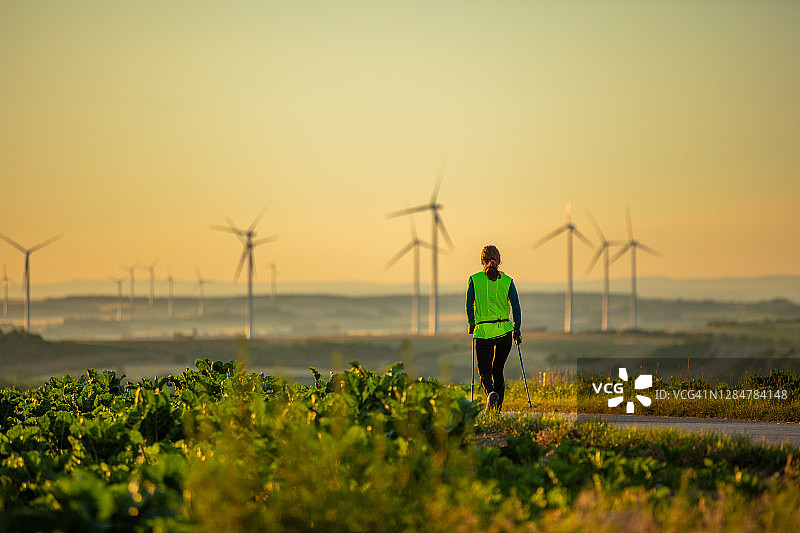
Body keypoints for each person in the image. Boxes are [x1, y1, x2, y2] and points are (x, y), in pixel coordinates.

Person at [466, 245, 522, 411]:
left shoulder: (474, 279)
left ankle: (490, 394)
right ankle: (497, 410)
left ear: (482, 261)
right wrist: (517, 330)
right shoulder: (507, 281)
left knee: (485, 372)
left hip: (483, 331)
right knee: (498, 370)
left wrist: (471, 324)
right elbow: (516, 308)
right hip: (505, 331)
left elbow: (469, 306)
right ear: (499, 260)